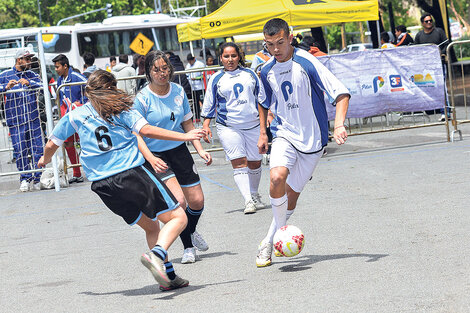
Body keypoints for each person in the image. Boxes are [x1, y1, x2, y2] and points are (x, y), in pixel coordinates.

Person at [38, 70, 206, 290]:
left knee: (151, 227)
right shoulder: (122, 111)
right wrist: (184, 135)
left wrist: (44, 159)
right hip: (131, 174)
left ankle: (168, 278)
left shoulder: (76, 115)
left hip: (103, 186)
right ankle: (157, 254)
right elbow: (147, 130)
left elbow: (52, 144)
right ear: (111, 89)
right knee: (178, 217)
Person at [256, 18, 350, 267]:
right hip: (284, 134)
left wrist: (339, 124)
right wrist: (263, 133)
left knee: (291, 197)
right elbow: (264, 100)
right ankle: (272, 241)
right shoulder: (266, 71)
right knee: (276, 178)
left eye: (279, 42)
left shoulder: (308, 63)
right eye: (269, 45)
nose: (275, 49)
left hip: (313, 140)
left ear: (290, 37)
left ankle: (271, 236)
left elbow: (341, 94)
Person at [133, 50, 212, 264]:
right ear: (148, 72)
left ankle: (191, 230)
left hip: (179, 150)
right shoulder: (142, 98)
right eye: (156, 69)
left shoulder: (177, 91)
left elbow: (187, 124)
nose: (162, 73)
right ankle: (188, 247)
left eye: (165, 68)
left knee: (197, 200)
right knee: (179, 202)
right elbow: (141, 132)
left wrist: (200, 149)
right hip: (157, 154)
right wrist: (149, 157)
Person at [202, 42, 267, 215]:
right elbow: (210, 103)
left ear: (239, 56)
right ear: (221, 58)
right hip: (229, 126)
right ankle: (247, 200)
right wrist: (206, 124)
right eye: (226, 56)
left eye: (233, 56)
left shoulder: (250, 74)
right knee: (239, 162)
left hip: (252, 125)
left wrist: (265, 123)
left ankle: (254, 195)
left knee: (254, 162)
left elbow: (262, 100)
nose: (230, 60)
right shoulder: (216, 78)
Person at [0, 49, 43, 192]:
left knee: (38, 150)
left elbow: (44, 86)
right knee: (20, 151)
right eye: (27, 59)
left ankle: (38, 178)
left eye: (30, 59)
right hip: (16, 121)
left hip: (33, 120)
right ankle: (25, 178)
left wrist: (29, 83)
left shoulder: (32, 75)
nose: (30, 62)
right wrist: (5, 87)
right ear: (19, 60)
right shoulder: (5, 75)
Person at [52, 53, 87, 183]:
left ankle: (95, 169)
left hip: (81, 117)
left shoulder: (77, 76)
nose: (56, 70)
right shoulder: (60, 80)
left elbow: (91, 87)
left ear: (65, 66)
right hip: (69, 118)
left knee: (86, 142)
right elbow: (61, 99)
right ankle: (77, 172)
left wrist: (83, 102)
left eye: (57, 67)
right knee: (67, 142)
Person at [414, 13, 450, 121]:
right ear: (422, 23)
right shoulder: (419, 35)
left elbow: (447, 44)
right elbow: (416, 49)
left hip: (440, 64)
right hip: (426, 67)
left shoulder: (439, 31)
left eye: (430, 20)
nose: (429, 22)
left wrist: (439, 53)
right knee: (432, 88)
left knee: (442, 87)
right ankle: (433, 110)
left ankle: (446, 112)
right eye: (426, 21)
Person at [185, 53, 204, 121]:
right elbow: (187, 75)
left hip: (201, 87)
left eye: (191, 61)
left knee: (203, 102)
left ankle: (206, 116)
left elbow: (203, 75)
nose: (190, 62)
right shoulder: (188, 66)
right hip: (193, 88)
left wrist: (196, 78)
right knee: (195, 103)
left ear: (194, 59)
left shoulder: (200, 64)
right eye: (189, 61)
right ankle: (197, 117)